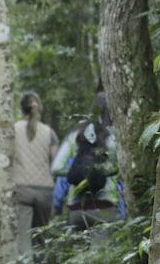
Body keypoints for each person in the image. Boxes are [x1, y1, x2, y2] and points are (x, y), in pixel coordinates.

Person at [51, 93, 126, 230]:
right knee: (103, 250)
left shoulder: (75, 135)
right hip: (106, 208)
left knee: (80, 250)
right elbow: (123, 170)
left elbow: (56, 168)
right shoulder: (114, 138)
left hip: (77, 209)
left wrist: (78, 171)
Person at [12, 92, 59, 264]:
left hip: (22, 188)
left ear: (22, 108)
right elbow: (55, 162)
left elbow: (4, 159)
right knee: (40, 236)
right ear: (39, 107)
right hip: (45, 190)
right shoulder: (49, 133)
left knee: (24, 238)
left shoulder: (13, 129)